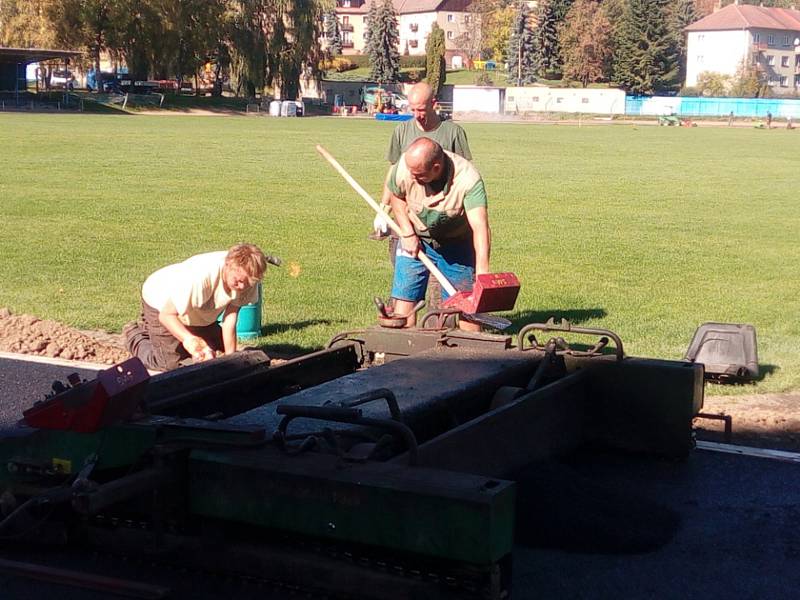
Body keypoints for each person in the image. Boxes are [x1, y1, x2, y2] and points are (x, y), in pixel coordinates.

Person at [386, 137, 490, 330]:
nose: (412, 177)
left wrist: (483, 271)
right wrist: (407, 233)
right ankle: (404, 351)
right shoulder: (405, 167)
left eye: (418, 174)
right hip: (415, 240)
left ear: (436, 167)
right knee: (404, 300)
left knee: (466, 307)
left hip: (456, 245)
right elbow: (397, 197)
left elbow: (480, 227)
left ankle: (471, 352)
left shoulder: (468, 180)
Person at [123, 243, 268, 371]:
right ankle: (135, 334)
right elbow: (166, 315)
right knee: (168, 364)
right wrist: (190, 339)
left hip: (197, 312)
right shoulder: (200, 276)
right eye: (238, 281)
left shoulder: (249, 279)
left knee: (213, 350)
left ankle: (163, 334)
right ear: (228, 266)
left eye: (247, 283)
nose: (242, 287)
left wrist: (232, 361)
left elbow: (230, 319)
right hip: (160, 303)